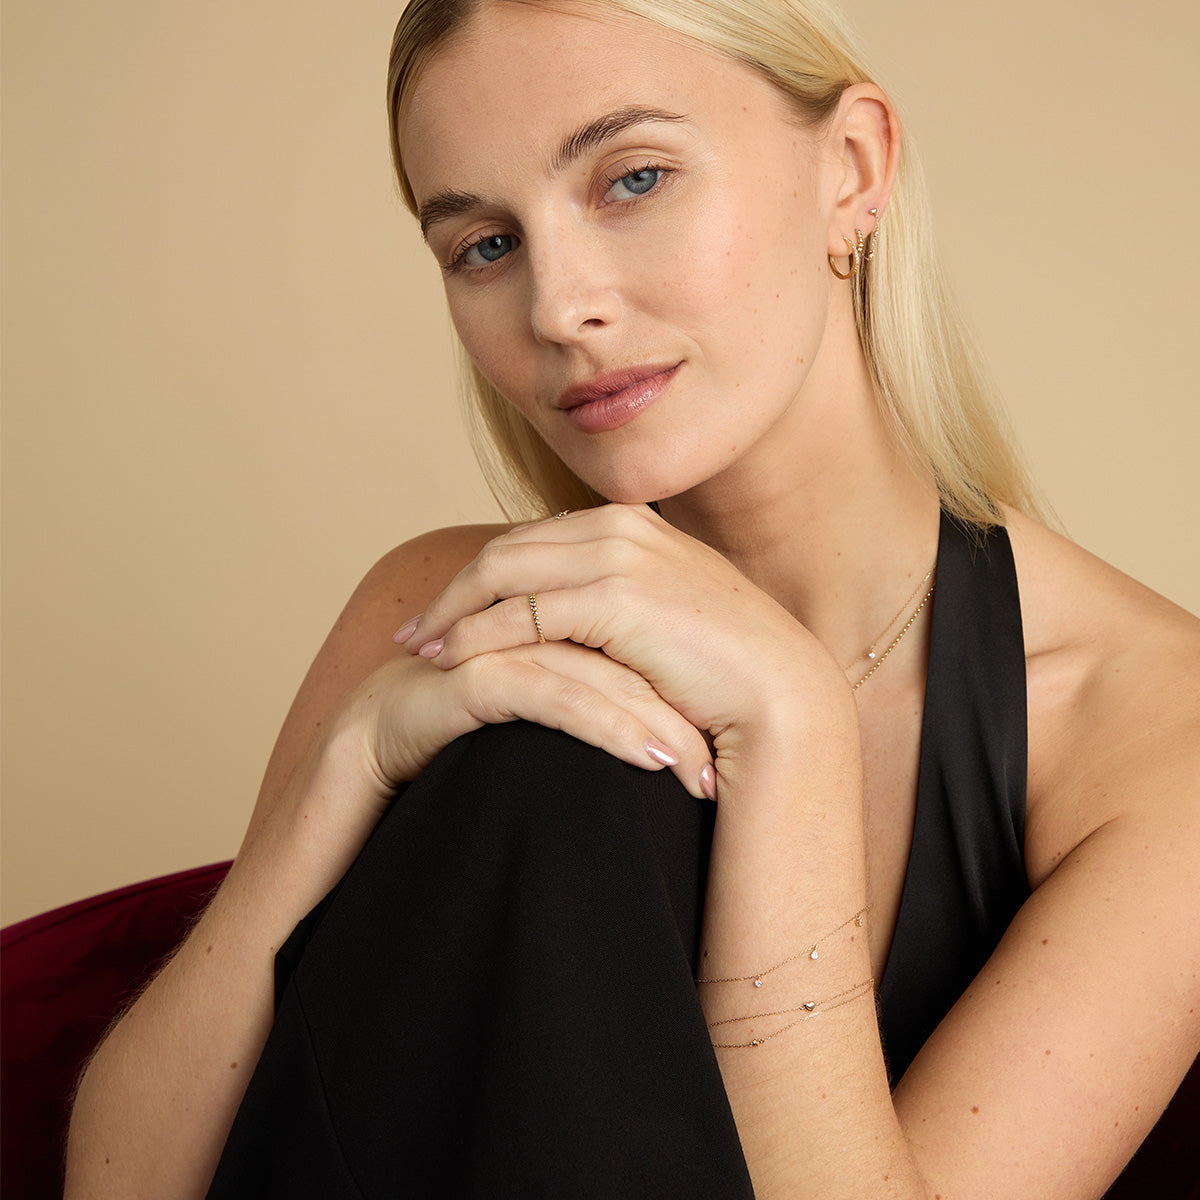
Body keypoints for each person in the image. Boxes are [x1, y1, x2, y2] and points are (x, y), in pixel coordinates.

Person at [65, 0, 1200, 1196]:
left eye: (634, 179)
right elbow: (123, 1183)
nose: (558, 309)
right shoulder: (438, 601)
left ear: (853, 169)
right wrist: (346, 768)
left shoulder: (1151, 731)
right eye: (484, 246)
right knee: (532, 755)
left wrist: (794, 725)